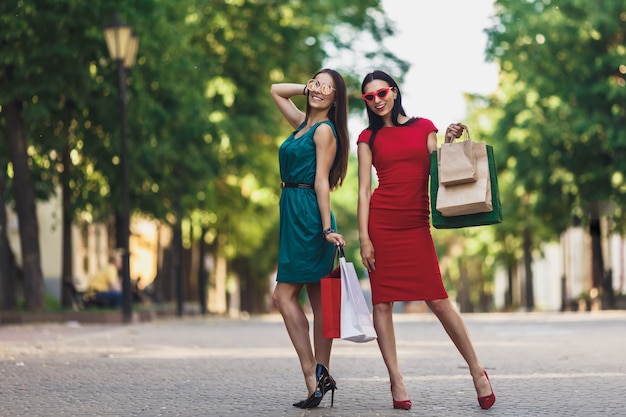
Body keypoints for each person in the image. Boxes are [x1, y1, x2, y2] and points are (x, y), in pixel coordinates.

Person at [356, 70, 496, 410]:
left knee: (438, 299)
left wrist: (448, 139)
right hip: (382, 224)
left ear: (394, 90)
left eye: (382, 92)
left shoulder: (424, 128)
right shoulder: (366, 138)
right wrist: (364, 238)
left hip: (416, 225)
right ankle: (396, 380)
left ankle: (477, 371)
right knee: (382, 303)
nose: (378, 100)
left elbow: (441, 166)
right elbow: (363, 190)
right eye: (369, 97)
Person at [270, 69, 350, 409]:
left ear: (335, 100)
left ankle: (312, 373)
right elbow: (275, 90)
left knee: (283, 296)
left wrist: (325, 228)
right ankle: (321, 376)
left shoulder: (324, 132)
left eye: (327, 88)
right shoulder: (302, 124)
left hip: (308, 218)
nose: (318, 90)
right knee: (318, 303)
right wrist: (306, 87)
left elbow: (321, 181)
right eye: (316, 83)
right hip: (292, 213)